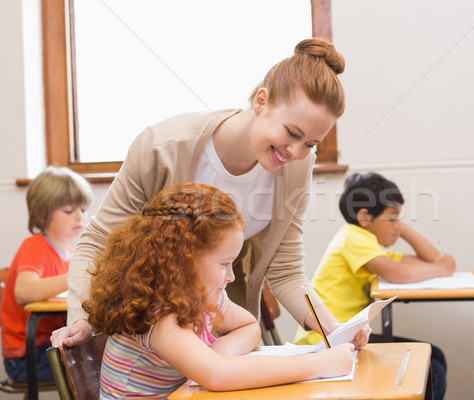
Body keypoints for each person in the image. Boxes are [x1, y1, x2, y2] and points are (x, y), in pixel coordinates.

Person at [51, 37, 370, 350]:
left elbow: (286, 270)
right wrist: (81, 319)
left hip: (218, 335)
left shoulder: (298, 168)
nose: (296, 151)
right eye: (292, 133)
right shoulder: (163, 148)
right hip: (149, 334)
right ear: (261, 101)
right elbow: (97, 240)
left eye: (310, 144)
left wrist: (332, 326)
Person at [83, 183, 354, 398]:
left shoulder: (203, 296)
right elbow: (217, 376)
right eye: (224, 264)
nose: (231, 276)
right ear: (183, 260)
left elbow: (249, 326)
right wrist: (321, 365)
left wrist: (219, 353)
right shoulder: (157, 314)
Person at [294, 172, 456, 400]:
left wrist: (400, 225)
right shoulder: (353, 238)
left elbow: (427, 259)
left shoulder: (367, 242)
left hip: (348, 336)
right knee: (431, 369)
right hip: (327, 339)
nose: (397, 226)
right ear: (364, 217)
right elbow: (399, 273)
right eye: (391, 219)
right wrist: (441, 269)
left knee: (434, 356)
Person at [1, 166, 92, 382]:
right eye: (69, 211)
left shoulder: (69, 253)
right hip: (26, 357)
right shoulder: (35, 247)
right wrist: (76, 276)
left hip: (49, 347)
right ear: (43, 215)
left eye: (83, 209)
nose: (79, 217)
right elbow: (24, 292)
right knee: (97, 370)